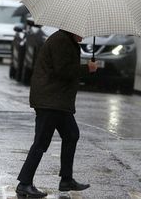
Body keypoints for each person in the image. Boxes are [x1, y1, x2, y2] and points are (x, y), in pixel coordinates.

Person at [16, 29, 98, 198]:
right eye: (82, 31)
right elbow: (63, 71)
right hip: (50, 100)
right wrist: (87, 68)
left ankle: (66, 180)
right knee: (41, 142)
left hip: (58, 101)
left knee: (71, 134)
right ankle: (24, 183)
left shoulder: (67, 40)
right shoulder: (61, 41)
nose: (84, 35)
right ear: (73, 28)